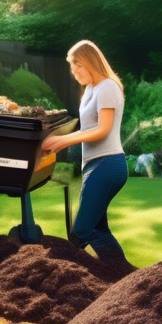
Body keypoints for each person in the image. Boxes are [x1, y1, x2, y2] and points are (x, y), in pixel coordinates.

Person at [41, 40, 131, 268]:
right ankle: (122, 278)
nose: (75, 73)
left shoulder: (108, 87)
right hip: (94, 166)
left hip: (108, 165)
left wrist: (63, 140)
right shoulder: (91, 89)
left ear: (90, 62)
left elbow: (102, 129)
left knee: (82, 229)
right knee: (97, 228)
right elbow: (87, 128)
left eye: (78, 66)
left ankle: (120, 275)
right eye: (72, 68)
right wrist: (62, 142)